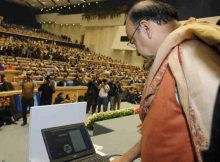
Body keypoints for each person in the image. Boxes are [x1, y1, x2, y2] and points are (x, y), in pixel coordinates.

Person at [113, 1, 220, 162]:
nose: (136, 51)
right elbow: (163, 127)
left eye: (133, 41)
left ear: (146, 28)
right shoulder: (171, 58)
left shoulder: (191, 57)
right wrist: (127, 157)